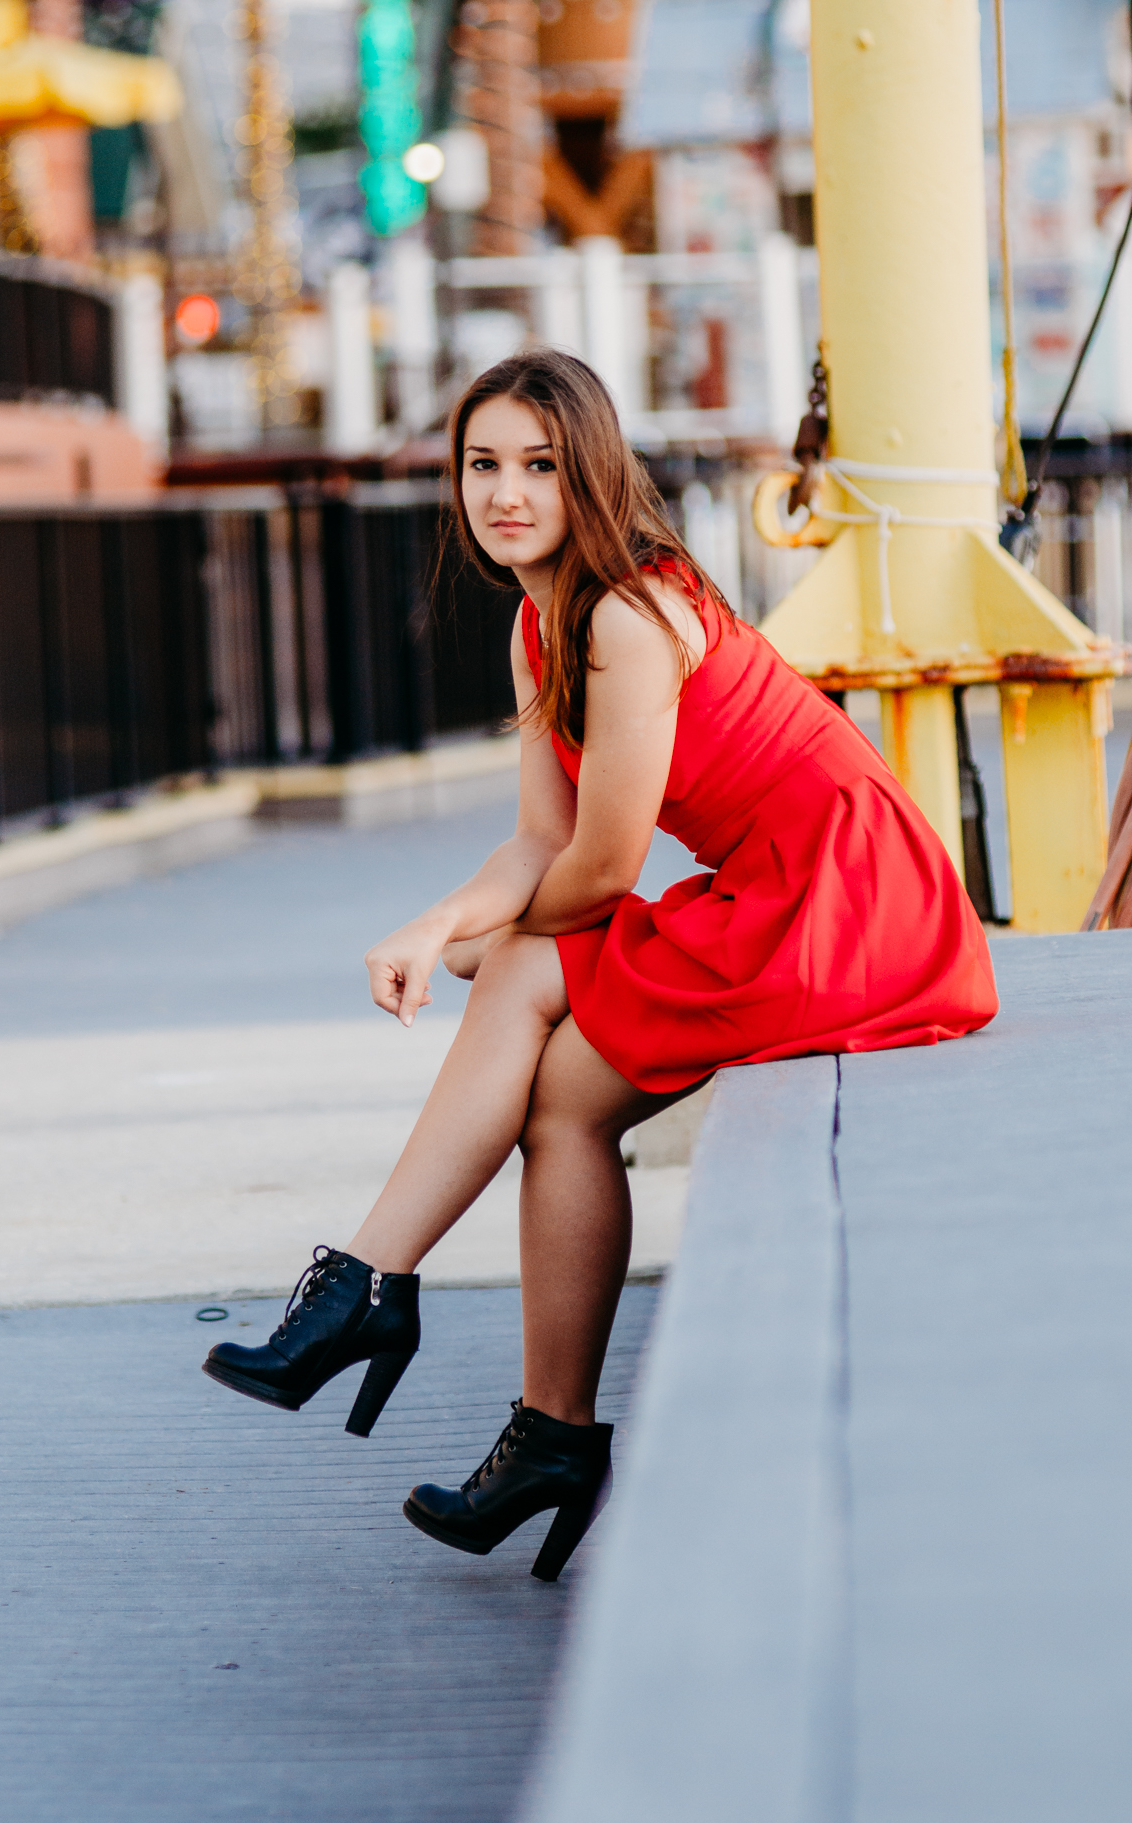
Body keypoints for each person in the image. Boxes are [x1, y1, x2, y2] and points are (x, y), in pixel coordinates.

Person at [203, 348, 998, 1581]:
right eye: (480, 464)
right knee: (561, 1104)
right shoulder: (541, 626)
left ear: (592, 478)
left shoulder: (625, 616)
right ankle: (540, 1429)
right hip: (778, 889)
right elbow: (538, 839)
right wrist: (440, 926)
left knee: (526, 973)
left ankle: (368, 1293)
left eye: (539, 465)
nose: (504, 492)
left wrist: (469, 940)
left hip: (843, 891)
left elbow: (602, 864)